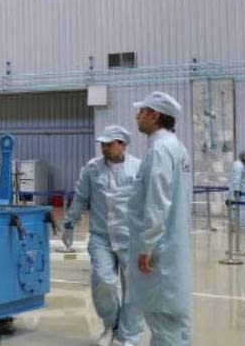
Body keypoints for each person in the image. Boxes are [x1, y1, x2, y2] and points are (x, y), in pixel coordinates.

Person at [63, 125, 144, 346]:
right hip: (101, 237)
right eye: (103, 144)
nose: (105, 148)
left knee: (133, 289)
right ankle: (111, 325)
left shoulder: (138, 168)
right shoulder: (92, 168)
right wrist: (69, 223)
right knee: (103, 281)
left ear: (122, 145)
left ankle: (130, 336)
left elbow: (147, 202)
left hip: (131, 237)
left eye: (109, 144)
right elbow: (81, 197)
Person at [128, 91, 192, 346]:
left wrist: (146, 247)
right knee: (177, 324)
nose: (137, 117)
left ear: (154, 116)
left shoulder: (160, 150)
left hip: (159, 252)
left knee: (162, 321)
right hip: (174, 247)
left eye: (141, 112)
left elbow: (157, 202)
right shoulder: (177, 147)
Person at [229, 150, 245, 230]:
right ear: (243, 156)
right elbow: (237, 178)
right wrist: (237, 190)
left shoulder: (239, 164)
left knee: (235, 209)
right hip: (240, 191)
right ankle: (242, 226)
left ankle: (234, 225)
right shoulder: (239, 165)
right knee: (243, 209)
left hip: (240, 190)